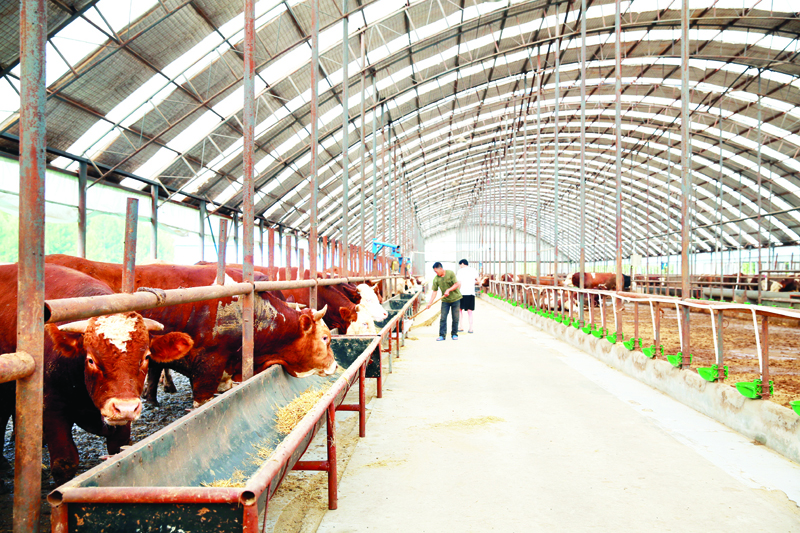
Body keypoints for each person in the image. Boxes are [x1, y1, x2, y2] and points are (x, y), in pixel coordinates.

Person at [425, 262, 462, 341]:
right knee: (443, 318)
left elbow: (456, 284)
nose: (436, 273)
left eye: (436, 271)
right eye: (435, 271)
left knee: (455, 318)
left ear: (441, 269)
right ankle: (442, 335)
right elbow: (434, 292)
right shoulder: (436, 279)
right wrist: (430, 303)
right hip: (445, 301)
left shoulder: (450, 273)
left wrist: (448, 290)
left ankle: (454, 334)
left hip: (455, 299)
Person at [456, 259, 478, 333]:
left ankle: (461, 326)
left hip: (462, 293)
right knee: (470, 311)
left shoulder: (460, 271)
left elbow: (459, 283)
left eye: (460, 265)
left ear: (462, 264)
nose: (460, 266)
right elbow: (478, 280)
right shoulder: (474, 270)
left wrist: (457, 291)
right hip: (471, 293)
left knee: (460, 310)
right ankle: (471, 328)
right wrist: (473, 283)